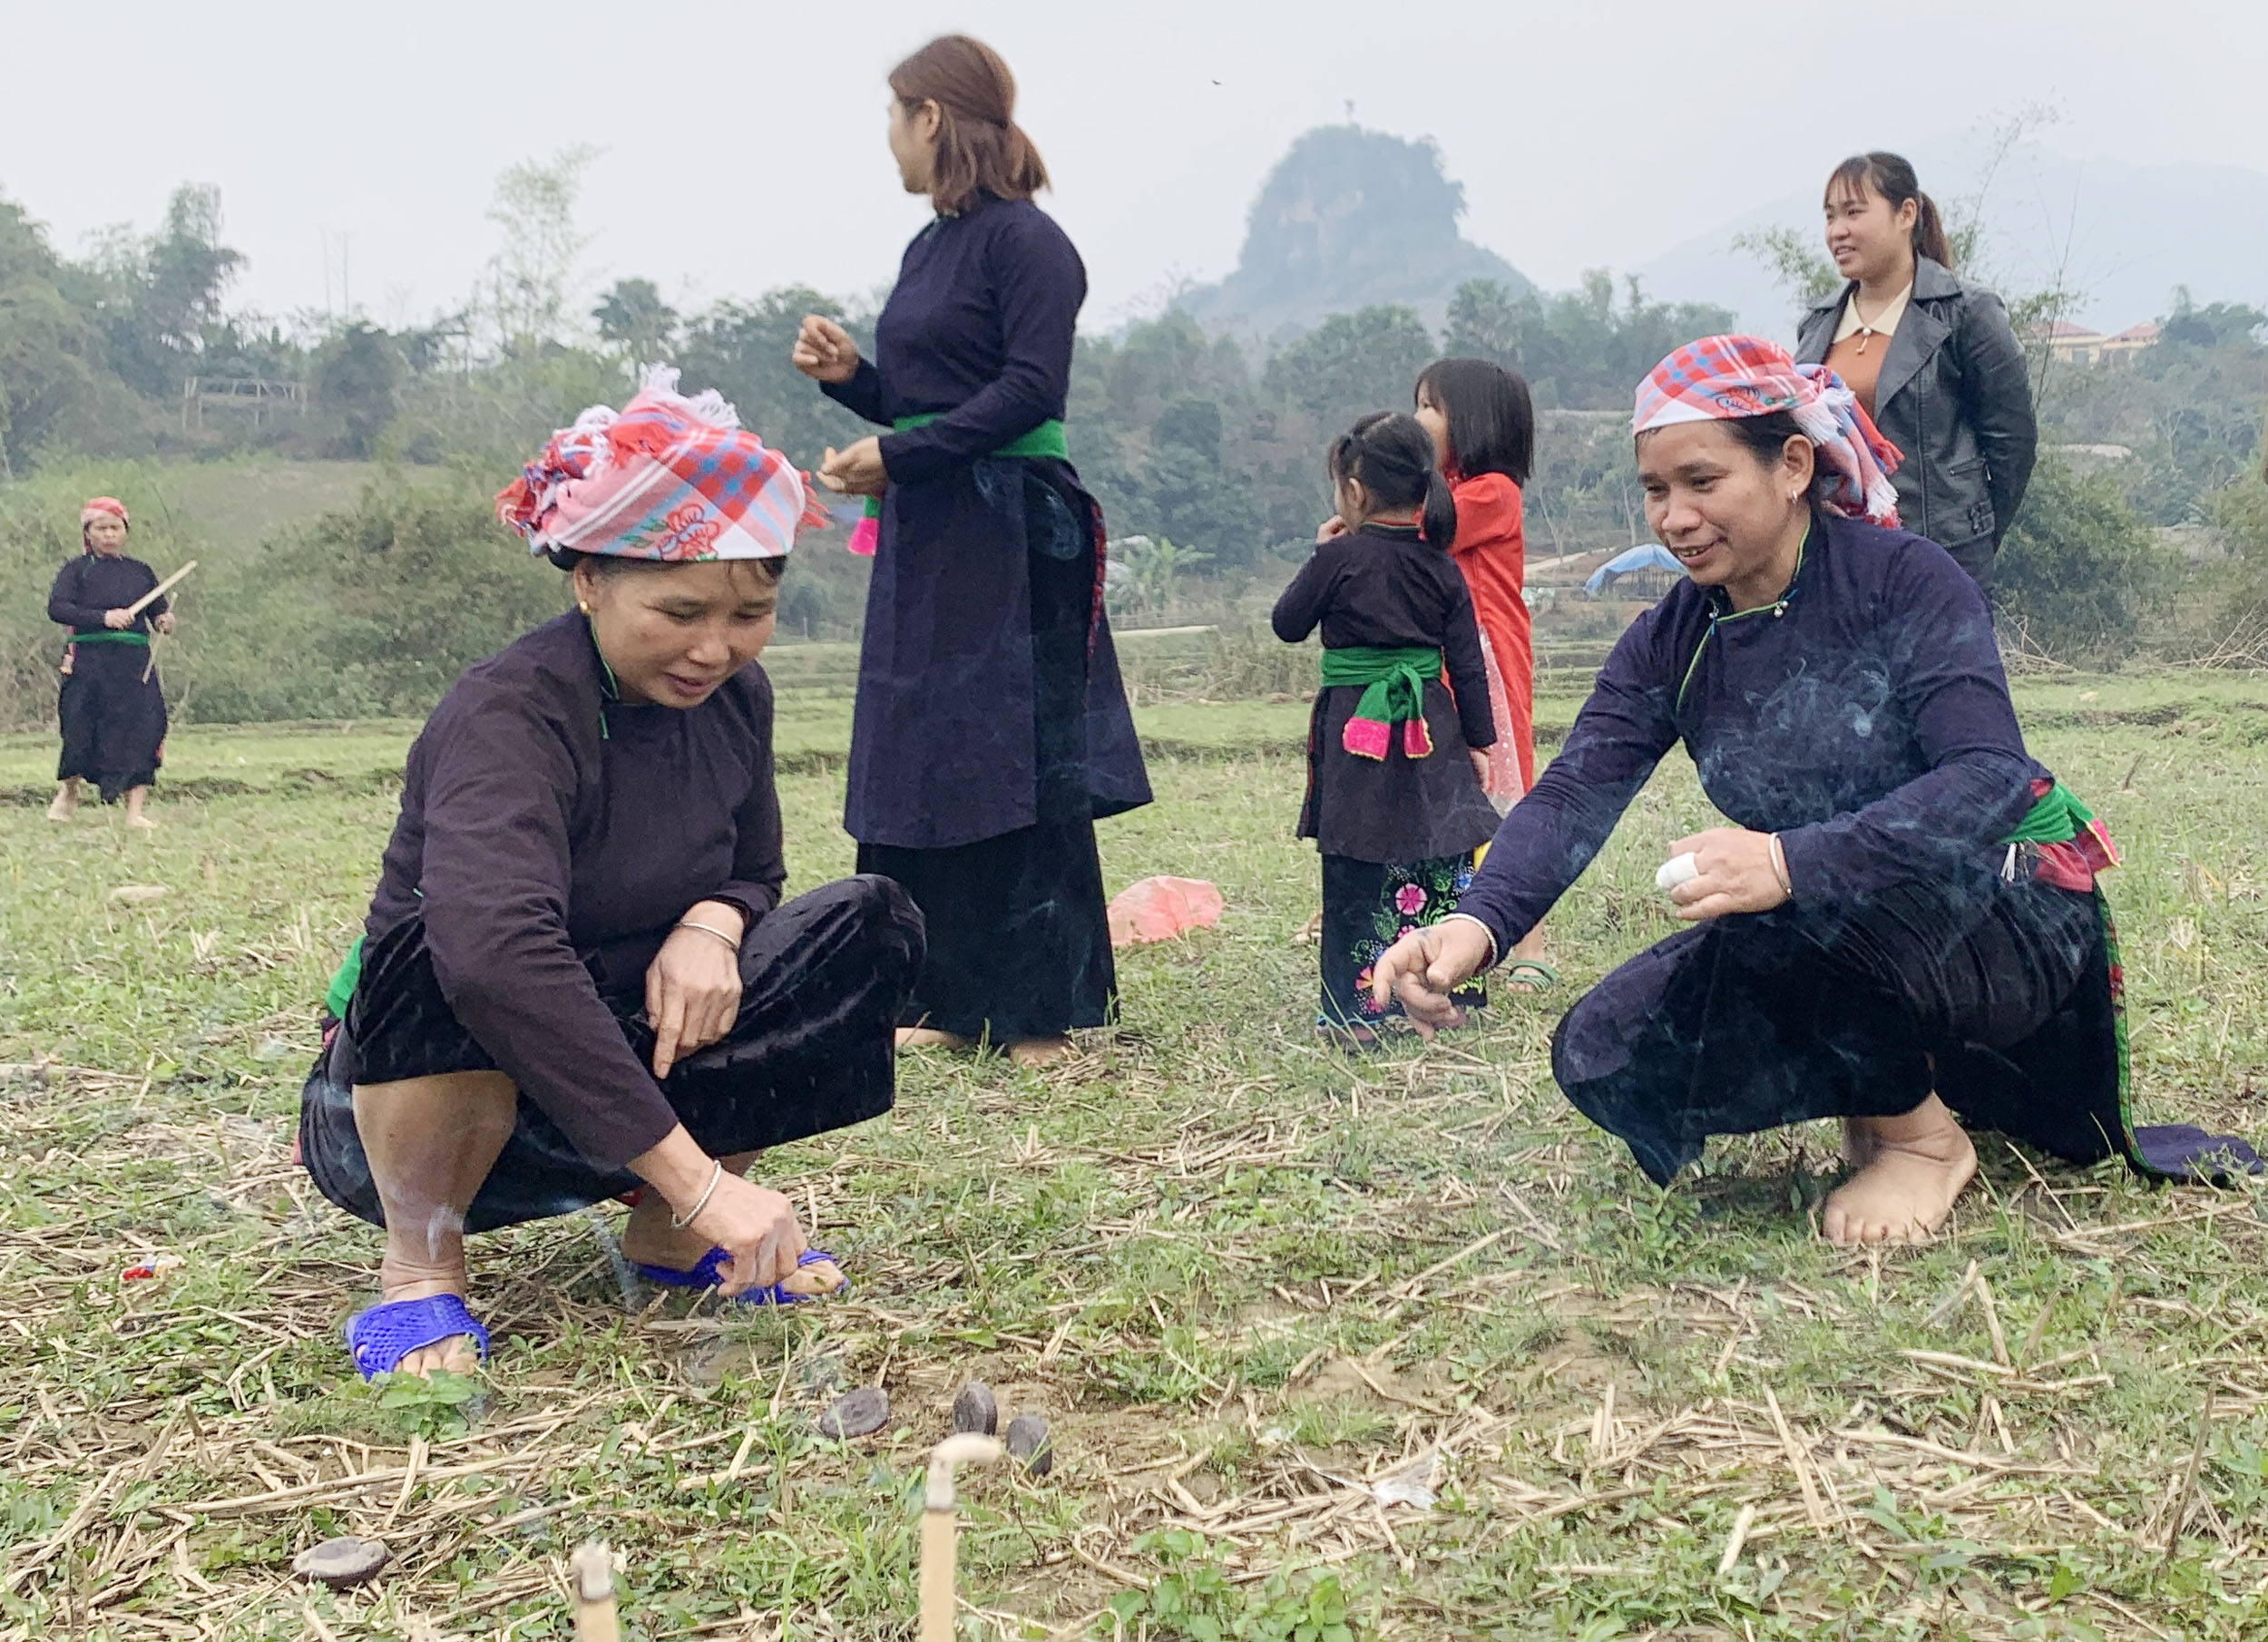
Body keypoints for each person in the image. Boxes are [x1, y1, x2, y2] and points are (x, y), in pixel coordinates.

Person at [1369, 337, 2158, 1246]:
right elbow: (1573, 794)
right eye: (1656, 490)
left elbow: (1989, 780)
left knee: (1788, 928)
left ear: (1791, 466)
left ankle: (1921, 1140)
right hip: (1829, 926)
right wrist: (1476, 925)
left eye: (1701, 481)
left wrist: (1787, 861)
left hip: (1998, 911)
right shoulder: (1669, 639)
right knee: (1601, 1051)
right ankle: (1887, 1073)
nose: (1675, 517)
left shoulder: (1905, 583)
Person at [298, 369, 925, 1379]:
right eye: (679, 610)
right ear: (589, 580)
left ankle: (670, 1241)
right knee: (443, 944)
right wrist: (698, 1180)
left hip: (625, 1060)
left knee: (866, 921)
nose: (714, 649)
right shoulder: (508, 713)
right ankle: (419, 1270)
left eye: (749, 613)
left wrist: (714, 923)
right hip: (442, 1092)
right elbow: (495, 959)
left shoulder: (737, 698)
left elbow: (756, 868)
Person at [792, 34, 1149, 1067]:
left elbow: (1030, 391)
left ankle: (1037, 1010)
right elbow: (927, 398)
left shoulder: (1029, 243)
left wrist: (900, 455)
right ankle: (943, 995)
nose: (889, 139)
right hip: (934, 528)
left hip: (1015, 528)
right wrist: (855, 381)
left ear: (932, 117)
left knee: (1017, 762)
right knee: (930, 752)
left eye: (893, 116)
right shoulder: (929, 248)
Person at [1273, 412, 1500, 1046]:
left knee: (1355, 854)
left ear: (1355, 490)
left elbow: (1287, 624)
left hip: (1356, 734)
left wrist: (1322, 553)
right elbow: (1468, 664)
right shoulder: (1441, 566)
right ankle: (1445, 993)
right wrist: (1480, 742)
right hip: (1433, 726)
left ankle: (1354, 1015)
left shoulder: (1337, 560)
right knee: (1438, 846)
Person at [1794, 151, 2037, 596]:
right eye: (1830, 216)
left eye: (1853, 212)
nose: (1837, 231)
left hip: (1942, 559)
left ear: (1906, 214)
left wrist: (1973, 533)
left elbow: (2012, 444)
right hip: (1840, 564)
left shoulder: (1965, 313)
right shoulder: (1817, 325)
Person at [1413, 358, 1555, 989]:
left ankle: (1531, 940)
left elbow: (1417, 531)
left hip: (1485, 659)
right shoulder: (1442, 490)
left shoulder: (1492, 492)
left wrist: (1365, 516)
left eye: (1429, 407)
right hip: (1439, 660)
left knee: (1505, 795)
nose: (1417, 418)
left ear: (1473, 422)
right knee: (1445, 793)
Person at [46, 497, 174, 828]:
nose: (109, 535)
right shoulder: (76, 570)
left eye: (115, 528)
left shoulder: (140, 571)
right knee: (79, 727)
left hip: (134, 666)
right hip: (89, 662)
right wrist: (104, 617)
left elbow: (157, 610)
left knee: (144, 728)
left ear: (125, 531)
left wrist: (163, 620)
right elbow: (58, 608)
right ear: (88, 533)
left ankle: (135, 813)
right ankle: (68, 793)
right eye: (101, 528)